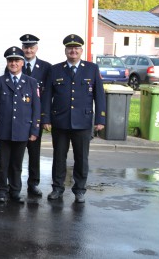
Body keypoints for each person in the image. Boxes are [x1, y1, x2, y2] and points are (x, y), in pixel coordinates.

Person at [43, 34, 105, 203]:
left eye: (76, 48)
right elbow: (48, 96)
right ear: (65, 50)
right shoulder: (55, 69)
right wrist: (46, 118)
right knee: (59, 157)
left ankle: (79, 190)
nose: (73, 51)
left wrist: (100, 119)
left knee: (81, 158)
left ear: (81, 50)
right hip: (60, 121)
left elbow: (99, 96)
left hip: (83, 122)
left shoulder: (92, 69)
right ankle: (57, 188)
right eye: (70, 48)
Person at [0, 46, 40, 204]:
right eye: (11, 60)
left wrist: (34, 129)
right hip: (3, 129)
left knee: (17, 164)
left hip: (22, 130)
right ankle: (1, 190)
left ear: (22, 62)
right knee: (3, 163)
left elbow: (36, 108)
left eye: (17, 60)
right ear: (7, 62)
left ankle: (15, 190)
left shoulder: (31, 82)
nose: (14, 63)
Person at [20, 33, 51, 197]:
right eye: (25, 47)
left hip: (35, 118)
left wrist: (45, 118)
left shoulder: (46, 68)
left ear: (36, 48)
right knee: (16, 154)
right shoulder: (15, 64)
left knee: (34, 154)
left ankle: (33, 184)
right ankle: (14, 183)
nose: (28, 50)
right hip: (18, 118)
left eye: (31, 47)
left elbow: (47, 96)